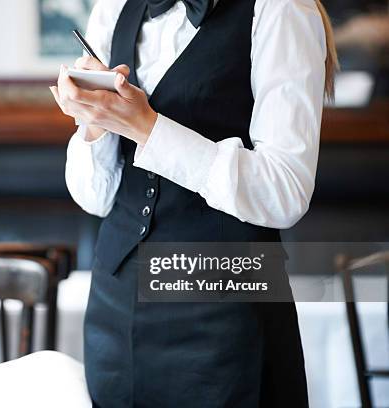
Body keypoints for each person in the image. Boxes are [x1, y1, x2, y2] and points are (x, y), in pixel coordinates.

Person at [50, 0, 338, 406]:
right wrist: (96, 119)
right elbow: (94, 198)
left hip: (229, 314)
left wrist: (147, 128)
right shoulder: (113, 8)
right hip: (115, 314)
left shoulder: (282, 9)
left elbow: (286, 192)